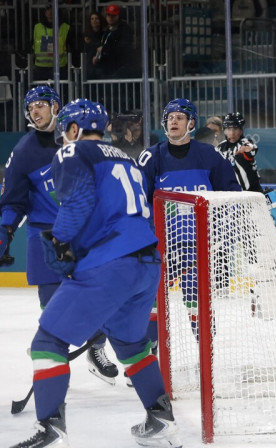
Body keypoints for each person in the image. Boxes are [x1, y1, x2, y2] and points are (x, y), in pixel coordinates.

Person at [10, 99, 181, 448]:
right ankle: (161, 419)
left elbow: (78, 203)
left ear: (74, 129)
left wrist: (59, 241)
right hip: (147, 263)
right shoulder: (127, 158)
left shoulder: (72, 152)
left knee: (47, 342)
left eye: (65, 131)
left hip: (110, 263)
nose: (62, 138)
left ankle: (51, 429)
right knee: (132, 346)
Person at [0, 86, 119, 386]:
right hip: (46, 235)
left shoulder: (81, 139)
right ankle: (51, 352)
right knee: (53, 305)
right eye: (31, 107)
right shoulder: (24, 152)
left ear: (56, 107)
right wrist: (6, 229)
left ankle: (95, 348)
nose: (35, 111)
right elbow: (13, 200)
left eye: (40, 104)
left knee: (101, 297)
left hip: (85, 232)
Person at [137, 98, 242, 354]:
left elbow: (230, 194)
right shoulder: (151, 157)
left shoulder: (208, 155)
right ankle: (150, 351)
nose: (173, 121)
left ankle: (206, 353)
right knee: (151, 298)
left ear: (191, 124)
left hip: (198, 245)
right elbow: (140, 202)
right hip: (160, 245)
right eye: (169, 117)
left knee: (196, 298)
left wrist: (222, 229)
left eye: (179, 117)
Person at [31, 5, 77, 81]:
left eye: (52, 9)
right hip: (41, 69)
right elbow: (31, 46)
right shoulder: (37, 27)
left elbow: (71, 48)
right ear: (45, 12)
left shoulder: (66, 28)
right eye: (48, 10)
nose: (50, 12)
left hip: (60, 68)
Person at [91, 4, 136, 79]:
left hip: (119, 69)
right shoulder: (107, 30)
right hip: (108, 67)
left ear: (118, 16)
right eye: (109, 15)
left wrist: (104, 49)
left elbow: (122, 47)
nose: (110, 18)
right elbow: (103, 45)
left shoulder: (124, 29)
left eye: (113, 15)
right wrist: (97, 57)